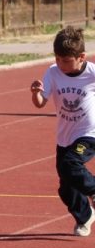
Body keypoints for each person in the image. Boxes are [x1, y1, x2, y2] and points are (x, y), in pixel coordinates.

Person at [29, 25, 95, 236]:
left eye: (66, 60)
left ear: (81, 57)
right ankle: (85, 216)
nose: (61, 64)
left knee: (70, 164)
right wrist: (35, 93)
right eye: (57, 58)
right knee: (66, 188)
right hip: (64, 136)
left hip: (89, 133)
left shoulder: (92, 74)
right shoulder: (52, 72)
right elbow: (40, 103)